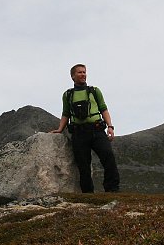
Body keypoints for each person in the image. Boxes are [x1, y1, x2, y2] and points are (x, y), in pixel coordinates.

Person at [49, 63, 120, 193]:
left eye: (84, 72)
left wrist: (110, 126)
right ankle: (88, 194)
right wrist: (60, 129)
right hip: (78, 133)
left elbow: (103, 109)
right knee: (83, 165)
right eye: (80, 72)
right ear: (72, 76)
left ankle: (112, 189)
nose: (83, 74)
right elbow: (66, 113)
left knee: (108, 157)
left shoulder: (95, 91)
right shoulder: (67, 95)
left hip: (97, 130)